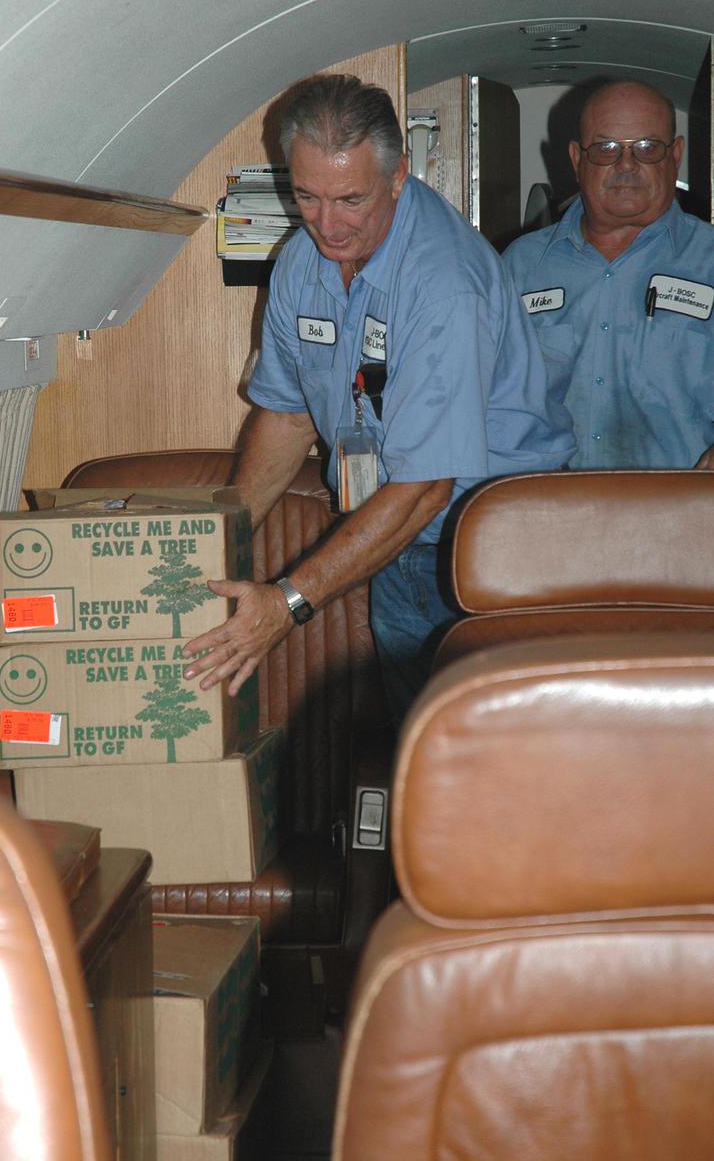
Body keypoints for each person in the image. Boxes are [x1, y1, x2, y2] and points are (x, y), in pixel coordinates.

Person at [182, 74, 574, 724]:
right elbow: (287, 413)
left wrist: (288, 603)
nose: (328, 225)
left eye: (350, 200)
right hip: (396, 538)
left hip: (495, 551)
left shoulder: (446, 283)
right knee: (413, 747)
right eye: (306, 196)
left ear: (399, 178)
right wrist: (216, 540)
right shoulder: (300, 265)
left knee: (490, 757)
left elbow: (424, 488)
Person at [503, 79, 714, 471]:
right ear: (576, 159)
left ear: (677, 155)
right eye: (606, 148)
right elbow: (487, 396)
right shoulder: (521, 266)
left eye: (647, 148)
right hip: (550, 514)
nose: (627, 165)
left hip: (686, 516)